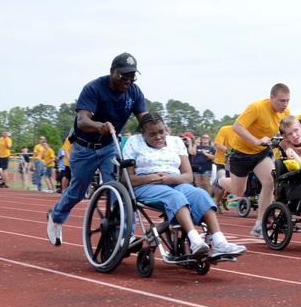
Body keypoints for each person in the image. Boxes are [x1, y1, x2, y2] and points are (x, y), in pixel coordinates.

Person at [47, 53, 148, 246]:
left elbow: (144, 119)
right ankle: (56, 216)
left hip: (110, 146)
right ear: (112, 72)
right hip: (84, 148)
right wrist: (98, 125)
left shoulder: (134, 92)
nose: (127, 80)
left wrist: (158, 131)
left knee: (119, 187)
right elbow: (83, 120)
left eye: (132, 76)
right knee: (77, 191)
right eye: (123, 76)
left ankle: (125, 233)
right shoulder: (94, 88)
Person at [122, 113, 245, 258]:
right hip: (147, 184)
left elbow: (188, 176)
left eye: (161, 132)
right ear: (143, 133)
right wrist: (151, 178)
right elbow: (127, 179)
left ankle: (220, 243)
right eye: (152, 134)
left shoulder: (176, 142)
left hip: (174, 181)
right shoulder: (134, 142)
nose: (159, 137)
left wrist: (170, 179)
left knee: (201, 194)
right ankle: (195, 241)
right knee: (175, 196)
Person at [210, 84, 290, 237]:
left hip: (261, 153)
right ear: (271, 97)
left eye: (287, 101)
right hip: (241, 153)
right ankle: (220, 180)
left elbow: (283, 130)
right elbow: (237, 127)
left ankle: (260, 225)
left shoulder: (285, 112)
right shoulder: (257, 107)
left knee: (270, 182)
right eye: (282, 101)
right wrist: (256, 141)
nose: (285, 105)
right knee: (240, 190)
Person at [211, 125, 233, 210]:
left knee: (234, 183)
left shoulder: (245, 133)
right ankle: (217, 203)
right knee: (222, 183)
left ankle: (224, 198)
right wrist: (231, 151)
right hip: (221, 162)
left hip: (234, 162)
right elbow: (218, 145)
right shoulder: (225, 129)